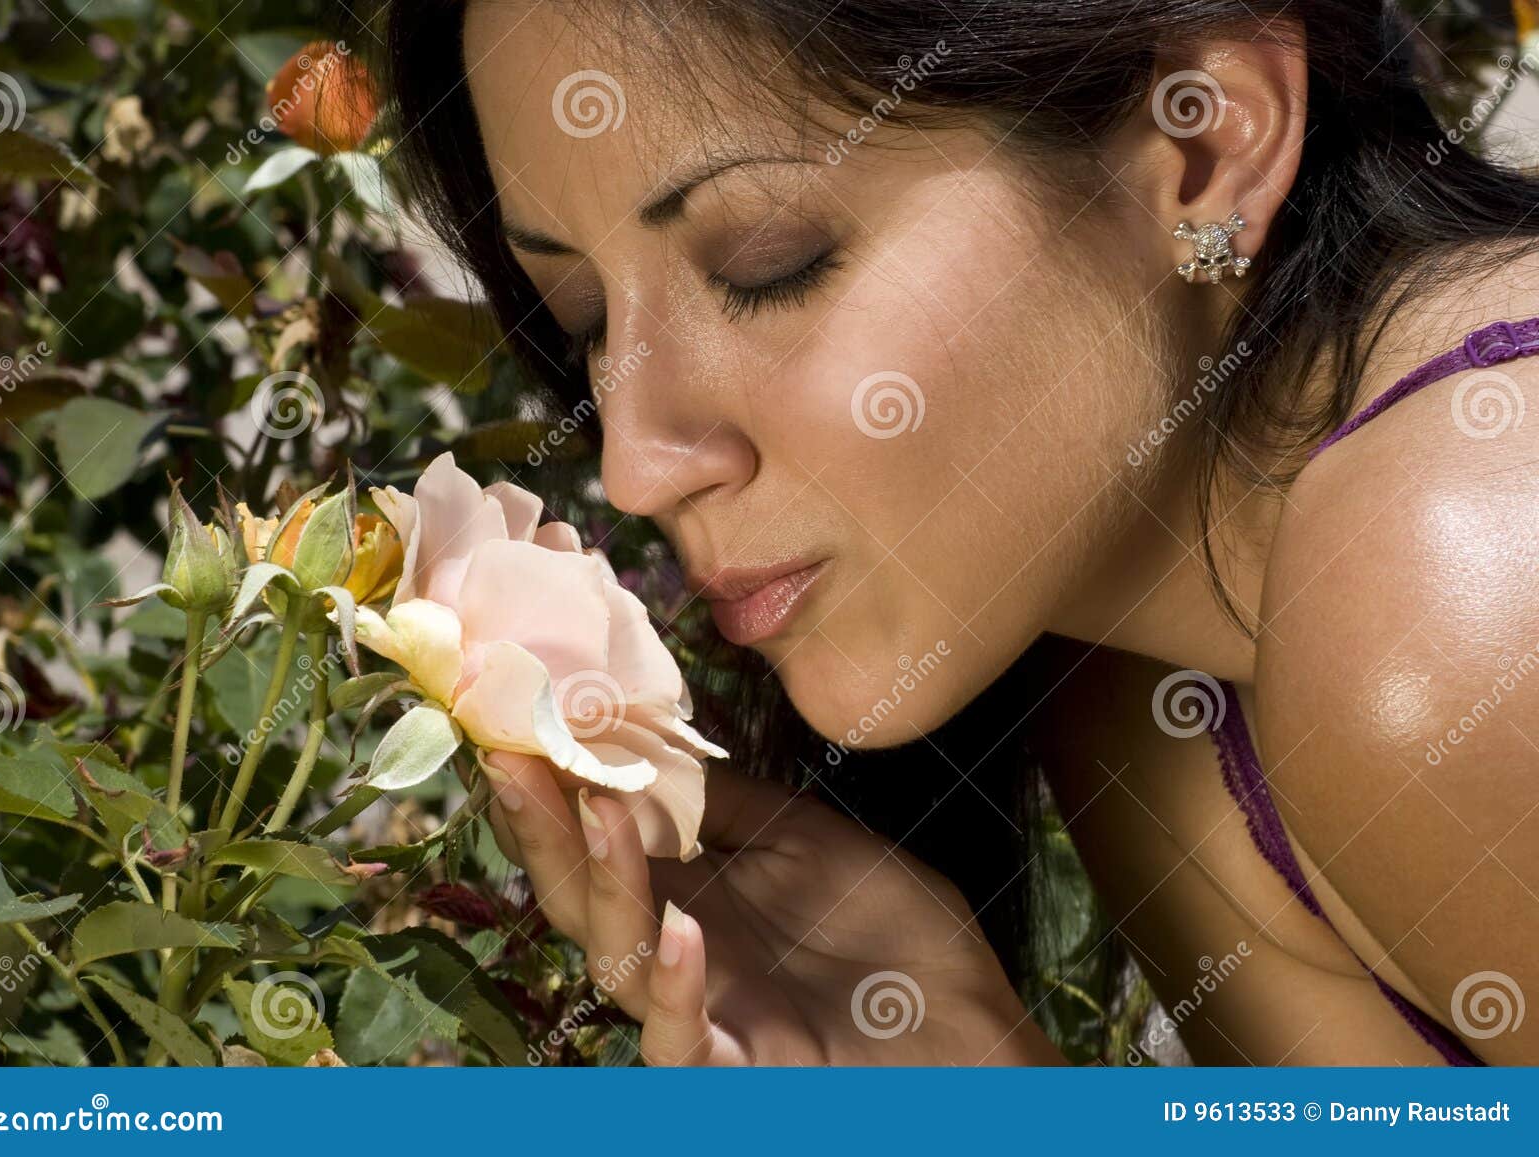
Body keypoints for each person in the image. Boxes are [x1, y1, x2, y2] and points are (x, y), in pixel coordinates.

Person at [377, 0, 1539, 1065]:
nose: (633, 464)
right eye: (583, 315)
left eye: (768, 262)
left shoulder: (1464, 594)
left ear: (1205, 142)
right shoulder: (1129, 685)